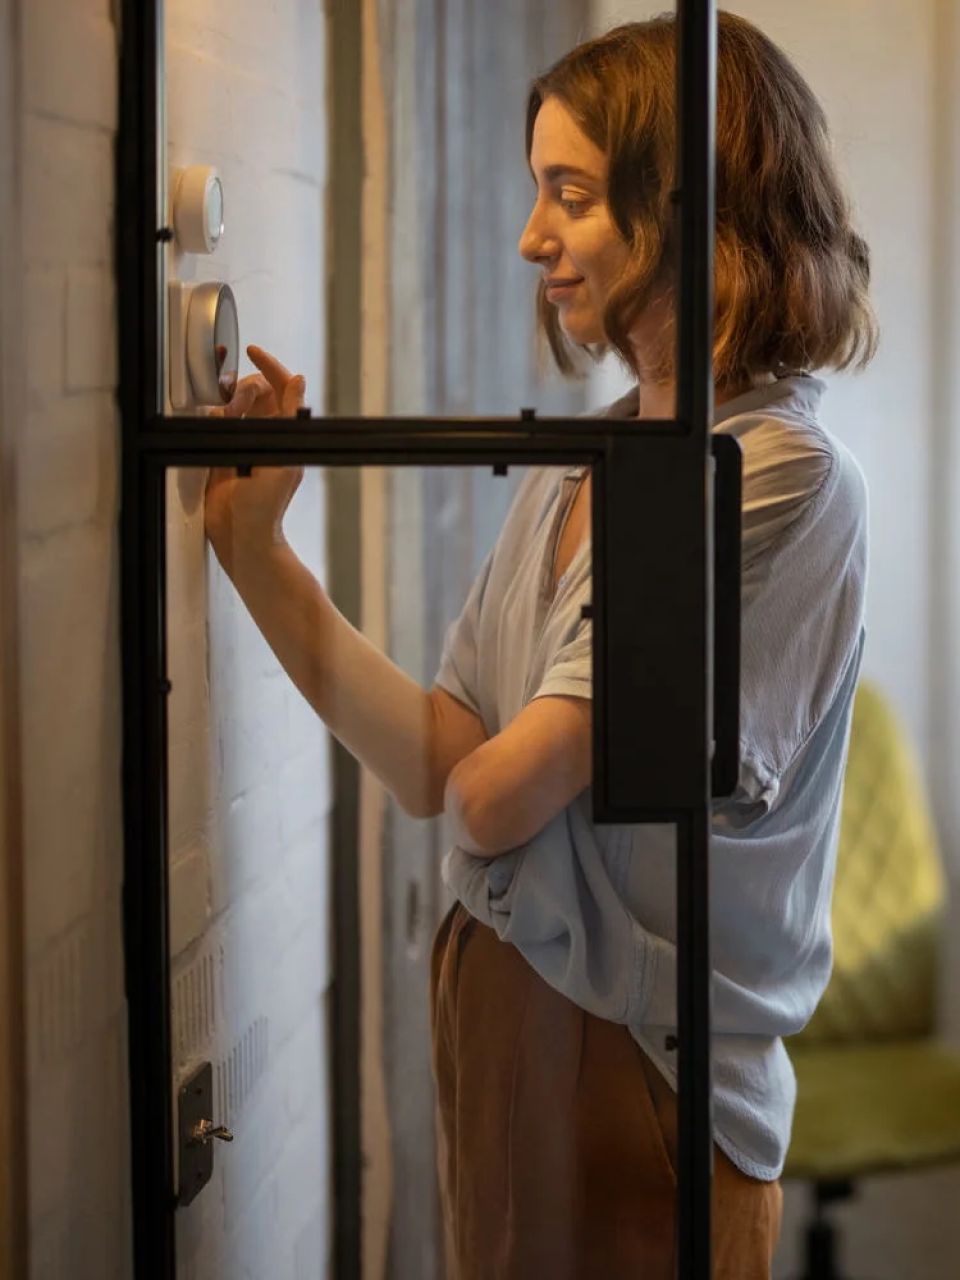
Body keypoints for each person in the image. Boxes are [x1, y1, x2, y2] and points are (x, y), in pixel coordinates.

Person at [205, 11, 876, 1278]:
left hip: (636, 1061)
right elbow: (438, 761)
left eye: (570, 193)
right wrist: (258, 551)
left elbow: (497, 793)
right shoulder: (597, 450)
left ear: (691, 208)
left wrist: (480, 785)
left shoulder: (773, 472)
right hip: (517, 1021)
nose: (532, 239)